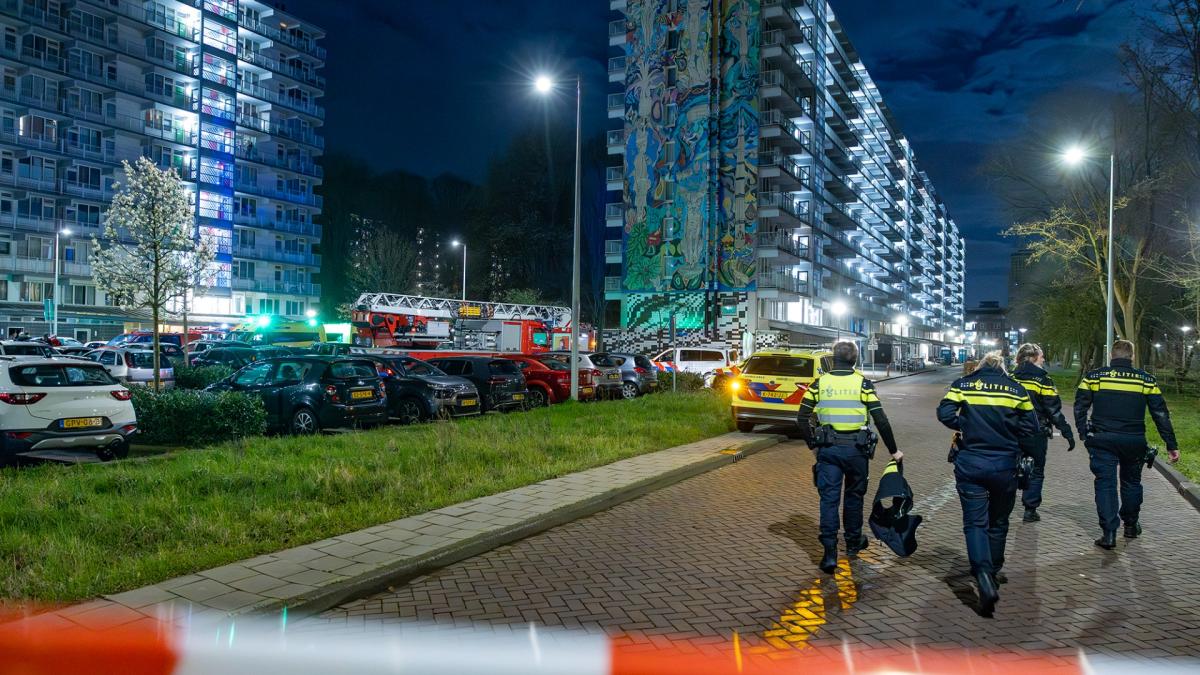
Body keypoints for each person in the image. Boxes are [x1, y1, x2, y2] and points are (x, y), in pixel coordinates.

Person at [937, 351, 1040, 615]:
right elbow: (1031, 427)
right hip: (1004, 465)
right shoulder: (1016, 390)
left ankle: (982, 575)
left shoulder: (964, 384)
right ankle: (993, 570)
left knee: (974, 522)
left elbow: (944, 412)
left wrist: (965, 424)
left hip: (970, 463)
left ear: (981, 366)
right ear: (1002, 368)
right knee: (998, 521)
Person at [797, 340, 902, 575]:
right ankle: (853, 543)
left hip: (828, 451)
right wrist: (894, 450)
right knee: (854, 497)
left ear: (833, 358)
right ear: (854, 359)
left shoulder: (819, 384)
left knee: (829, 500)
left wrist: (813, 444)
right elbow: (881, 419)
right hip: (856, 451)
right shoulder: (863, 384)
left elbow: (801, 418)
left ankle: (829, 553)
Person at [1074, 339, 1181, 550]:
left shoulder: (1094, 377)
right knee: (1131, 483)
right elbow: (1160, 413)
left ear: (1111, 355)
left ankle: (1109, 533)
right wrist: (1171, 444)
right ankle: (1131, 525)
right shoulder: (1145, 379)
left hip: (1102, 439)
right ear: (1132, 356)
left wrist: (1083, 433)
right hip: (1133, 440)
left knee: (1105, 484)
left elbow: (1080, 406)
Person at [1011, 343, 1076, 522]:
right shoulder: (1043, 380)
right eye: (1041, 356)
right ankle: (1030, 510)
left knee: (1008, 467)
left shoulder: (1009, 378)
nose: (1044, 359)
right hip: (1035, 431)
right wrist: (1067, 431)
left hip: (1011, 431)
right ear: (1032, 358)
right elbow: (1053, 410)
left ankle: (1004, 503)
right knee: (1036, 470)